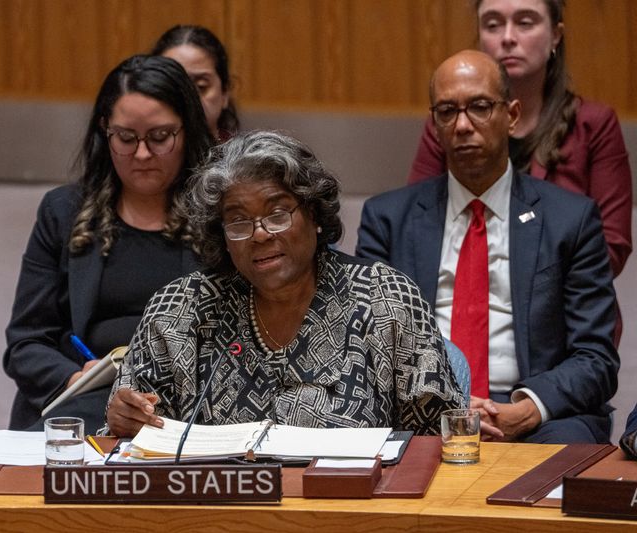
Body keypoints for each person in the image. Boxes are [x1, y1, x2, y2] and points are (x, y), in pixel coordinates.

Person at [105, 130, 462, 438]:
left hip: (352, 509)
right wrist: (123, 419)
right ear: (223, 237)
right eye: (239, 222)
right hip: (215, 511)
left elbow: (438, 439)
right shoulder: (181, 310)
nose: (259, 234)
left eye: (277, 214)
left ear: (314, 215)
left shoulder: (387, 299)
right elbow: (133, 435)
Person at [356, 50, 619, 444]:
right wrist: (444, 406)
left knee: (566, 458)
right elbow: (368, 347)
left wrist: (528, 408)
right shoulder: (388, 219)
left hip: (536, 413)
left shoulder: (571, 219)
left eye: (479, 107)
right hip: (421, 412)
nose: (463, 125)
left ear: (511, 116)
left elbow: (596, 356)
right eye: (447, 111)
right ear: (435, 125)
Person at [3, 55, 214, 431]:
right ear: (105, 131)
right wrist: (75, 380)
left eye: (161, 137)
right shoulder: (64, 212)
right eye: (126, 138)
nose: (143, 153)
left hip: (190, 404)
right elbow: (26, 343)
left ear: (187, 132)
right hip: (85, 399)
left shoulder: (219, 216)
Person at [408, 0, 632, 279]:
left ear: (556, 35)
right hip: (463, 292)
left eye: (525, 23)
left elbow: (611, 247)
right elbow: (416, 227)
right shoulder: (450, 122)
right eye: (492, 25)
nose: (508, 38)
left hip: (564, 308)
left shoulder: (595, 125)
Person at [152, 25, 240, 142]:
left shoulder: (244, 159)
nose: (188, 98)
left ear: (225, 93)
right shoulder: (137, 155)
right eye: (173, 85)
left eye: (201, 86)